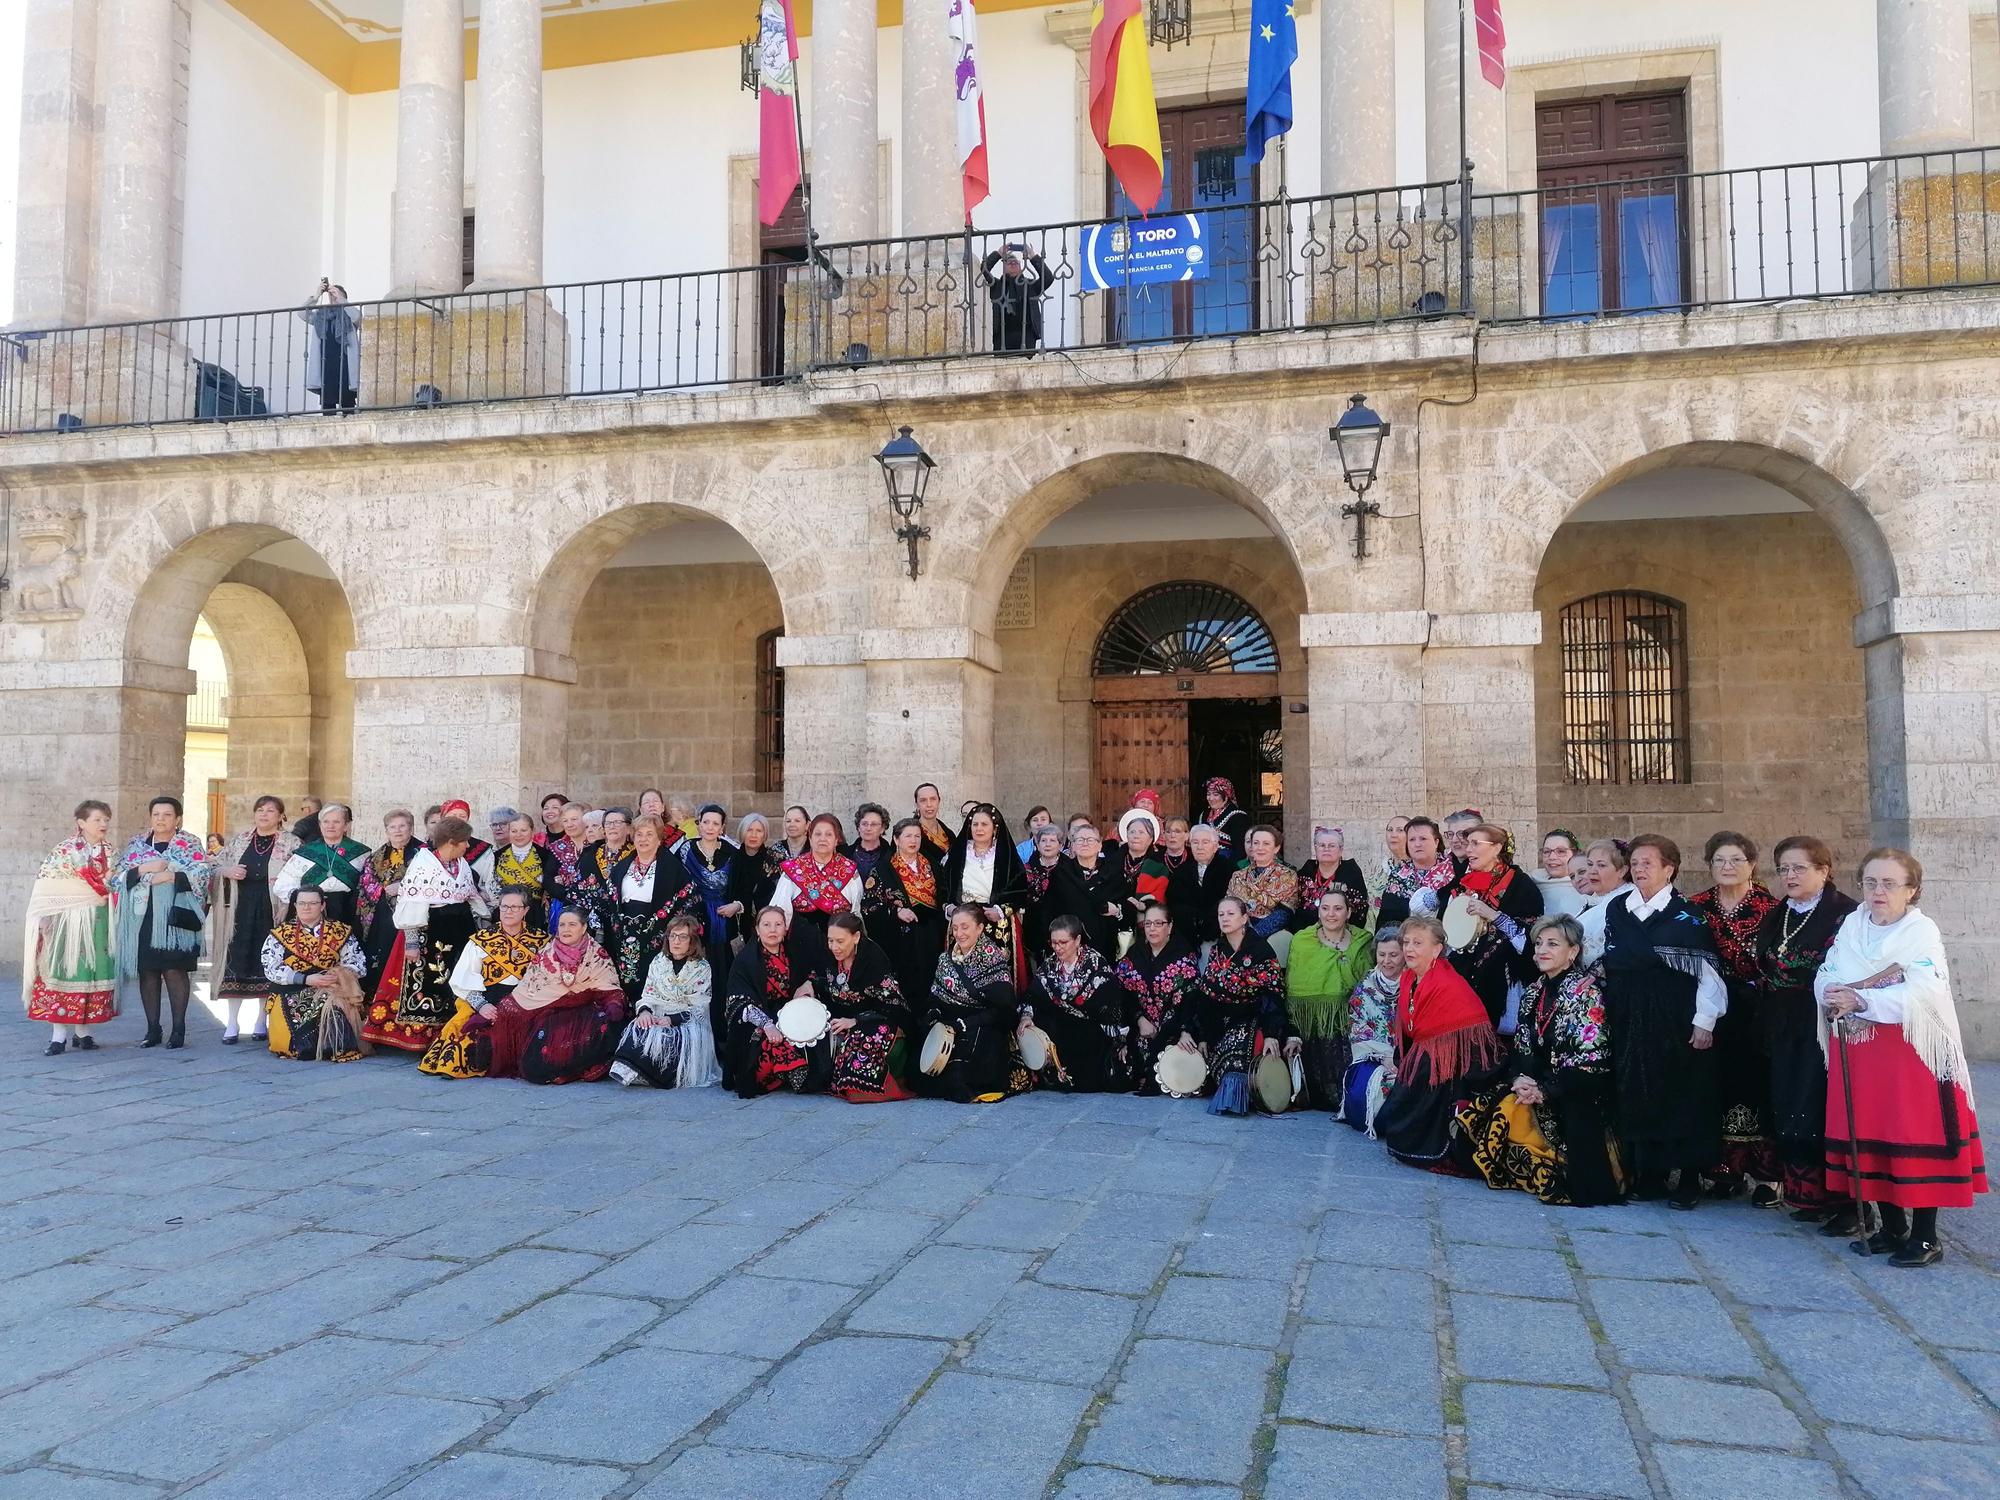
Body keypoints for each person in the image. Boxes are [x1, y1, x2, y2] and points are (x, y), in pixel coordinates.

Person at [1815, 848, 1987, 1266]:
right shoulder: (1852, 925)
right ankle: (1892, 1229)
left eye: (1890, 883)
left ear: (1911, 890)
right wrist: (1832, 992)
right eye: (1871, 882)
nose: (1878, 891)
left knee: (1911, 1135)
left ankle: (1926, 1237)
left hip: (1911, 1055)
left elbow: (1924, 992)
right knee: (1871, 1135)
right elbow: (1826, 970)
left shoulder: (1921, 934)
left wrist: (1862, 999)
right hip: (1859, 1050)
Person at [1455, 914, 1623, 1206]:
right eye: (1539, 943)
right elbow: (1522, 1048)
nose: (1542, 950)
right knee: (1475, 1133)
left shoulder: (1586, 995)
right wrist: (1520, 1079)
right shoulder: (1534, 991)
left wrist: (1546, 1090)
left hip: (1575, 1087)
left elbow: (1592, 1062)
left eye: (1553, 944)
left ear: (1573, 952)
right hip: (1535, 1084)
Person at [1601, 834, 1728, 1211]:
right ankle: (1650, 1174)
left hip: (1674, 1014)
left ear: (1669, 869)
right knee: (1635, 1088)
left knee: (1682, 1092)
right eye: (1635, 863)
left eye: (1648, 863)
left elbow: (1709, 975)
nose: (1639, 870)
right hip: (1627, 1010)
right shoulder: (1617, 909)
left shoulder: (1688, 915)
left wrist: (1704, 1021)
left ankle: (1689, 1178)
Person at [1756, 836, 1858, 1220]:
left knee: (1821, 1107)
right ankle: (1808, 1199)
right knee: (1790, 1104)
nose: (1789, 876)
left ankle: (1845, 1205)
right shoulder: (1779, 912)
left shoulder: (1844, 914)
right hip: (1781, 1024)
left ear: (1823, 871)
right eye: (1783, 868)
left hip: (1822, 1026)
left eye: (1799, 868)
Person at [1689, 832, 1781, 1199]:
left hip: (1757, 1010)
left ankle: (1765, 1176)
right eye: (1719, 861)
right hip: (1711, 1009)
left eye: (1736, 860)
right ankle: (1725, 1169)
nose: (1727, 867)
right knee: (1717, 1084)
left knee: (1757, 1086)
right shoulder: (1696, 907)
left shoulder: (1772, 909)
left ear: (1752, 865)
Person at [1375, 913, 1504, 1172]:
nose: (1409, 948)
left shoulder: (1446, 982)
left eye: (1418, 943)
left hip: (1458, 1061)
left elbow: (1466, 1038)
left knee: (1419, 1089)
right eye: (1407, 942)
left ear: (1437, 949)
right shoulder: (1410, 977)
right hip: (1427, 1050)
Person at [364, 815, 490, 1053]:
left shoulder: (460, 864)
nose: (468, 846)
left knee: (457, 975)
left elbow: (471, 896)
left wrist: (482, 924)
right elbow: (412, 900)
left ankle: (452, 1031)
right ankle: (421, 1037)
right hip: (432, 930)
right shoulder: (424, 863)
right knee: (429, 981)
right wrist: (412, 943)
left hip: (460, 928)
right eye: (464, 841)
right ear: (451, 841)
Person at [480, 911, 630, 1085]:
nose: (566, 929)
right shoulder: (546, 954)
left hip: (586, 1015)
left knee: (610, 1023)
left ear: (584, 928)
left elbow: (611, 988)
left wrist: (614, 1005)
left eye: (572, 924)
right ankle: (568, 1070)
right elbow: (529, 989)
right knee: (536, 1065)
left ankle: (585, 1068)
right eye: (562, 925)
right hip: (549, 1015)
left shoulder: (597, 955)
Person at [418, 890, 549, 1079]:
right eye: (504, 906)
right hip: (489, 998)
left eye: (514, 907)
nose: (508, 911)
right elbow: (462, 980)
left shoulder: (541, 941)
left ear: (526, 910)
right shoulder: (481, 940)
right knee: (469, 1033)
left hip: (525, 998)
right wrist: (481, 1005)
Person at [23, 800, 118, 1056]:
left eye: (106, 819)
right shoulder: (64, 851)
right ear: (81, 822)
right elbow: (47, 883)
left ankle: (83, 1032)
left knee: (91, 972)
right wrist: (44, 916)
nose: (103, 824)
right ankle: (58, 1035)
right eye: (98, 819)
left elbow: (115, 883)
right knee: (65, 971)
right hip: (68, 921)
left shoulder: (109, 851)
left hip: (98, 919)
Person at [115, 796, 208, 1050]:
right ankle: (152, 1028)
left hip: (176, 913)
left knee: (175, 970)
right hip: (143, 915)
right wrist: (145, 873)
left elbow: (202, 873)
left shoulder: (190, 843)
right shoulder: (137, 844)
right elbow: (119, 876)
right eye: (156, 814)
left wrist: (173, 875)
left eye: (167, 815)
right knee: (149, 971)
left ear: (177, 819)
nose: (160, 819)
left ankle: (179, 1029)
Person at [207, 794, 301, 1044]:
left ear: (281, 816)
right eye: (260, 809)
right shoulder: (240, 841)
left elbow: (300, 875)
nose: (264, 814)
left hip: (273, 910)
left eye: (271, 810)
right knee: (235, 960)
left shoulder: (292, 843)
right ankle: (232, 1022)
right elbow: (213, 866)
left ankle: (262, 1020)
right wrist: (227, 871)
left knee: (267, 962)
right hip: (240, 908)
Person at [1187, 896, 1293, 1116]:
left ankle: (1235, 1095)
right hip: (1218, 1017)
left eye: (1231, 914)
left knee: (1236, 1061)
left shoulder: (1260, 950)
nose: (1225, 919)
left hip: (1250, 1016)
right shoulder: (1218, 950)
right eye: (1221, 914)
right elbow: (1206, 993)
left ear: (1244, 918)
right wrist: (1203, 1033)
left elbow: (1272, 994)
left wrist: (1272, 1032)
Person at [1440, 822, 1544, 1030]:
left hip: (1503, 982)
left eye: (1475, 843)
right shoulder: (1463, 883)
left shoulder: (1521, 885)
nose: (1468, 849)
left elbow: (1529, 941)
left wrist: (1494, 916)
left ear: (1496, 848)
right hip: (1464, 980)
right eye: (1468, 843)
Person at [921, 905, 1026, 1103]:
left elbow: (1004, 1010)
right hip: (949, 1023)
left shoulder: (992, 959)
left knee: (963, 1073)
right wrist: (934, 1014)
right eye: (954, 928)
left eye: (965, 927)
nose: (959, 933)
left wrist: (965, 1024)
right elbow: (935, 997)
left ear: (980, 928)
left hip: (981, 1025)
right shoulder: (945, 959)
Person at [610, 914, 725, 1090]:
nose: (676, 941)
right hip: (658, 1012)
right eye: (672, 935)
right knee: (639, 1028)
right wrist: (645, 1012)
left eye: (683, 936)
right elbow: (648, 993)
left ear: (692, 941)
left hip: (688, 1020)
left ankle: (658, 1076)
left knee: (670, 1037)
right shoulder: (658, 961)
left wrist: (672, 1019)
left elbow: (700, 1006)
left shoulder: (702, 967)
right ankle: (634, 1071)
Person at [1285, 888, 1375, 1111]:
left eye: (1338, 908)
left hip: (1354, 1021)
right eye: (1325, 908)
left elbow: (1370, 983)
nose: (1330, 914)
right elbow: (1293, 988)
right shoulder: (1302, 940)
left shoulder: (1363, 941)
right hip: (1314, 1025)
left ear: (1349, 912)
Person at [723, 906, 825, 1096]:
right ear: (757, 929)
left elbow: (816, 973)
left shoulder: (795, 952)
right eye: (767, 925)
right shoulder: (746, 960)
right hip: (759, 1016)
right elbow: (738, 1000)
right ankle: (789, 1073)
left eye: (778, 924)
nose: (772, 930)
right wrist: (767, 1024)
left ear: (785, 928)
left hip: (790, 1012)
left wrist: (809, 983)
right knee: (763, 1040)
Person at [814, 912, 916, 1102]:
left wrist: (856, 1020)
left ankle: (863, 1084)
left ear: (856, 937)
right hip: (843, 1018)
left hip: (880, 1019)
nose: (834, 947)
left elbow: (892, 1006)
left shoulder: (874, 960)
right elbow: (819, 978)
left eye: (840, 941)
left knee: (860, 1038)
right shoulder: (828, 955)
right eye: (830, 941)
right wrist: (809, 983)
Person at [260, 886, 369, 1062]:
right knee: (291, 1046)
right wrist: (306, 979)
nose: (306, 907)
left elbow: (358, 963)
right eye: (301, 903)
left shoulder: (340, 931)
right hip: (291, 989)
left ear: (323, 905)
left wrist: (338, 974)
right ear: (295, 905)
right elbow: (271, 968)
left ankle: (334, 1047)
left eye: (312, 903)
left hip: (330, 986)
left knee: (334, 1003)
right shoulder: (280, 934)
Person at [1027, 915, 1133, 1092]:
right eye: (1053, 943)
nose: (1057, 948)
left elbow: (1112, 1008)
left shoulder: (1096, 964)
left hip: (1091, 1033)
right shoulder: (1049, 964)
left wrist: (1119, 1041)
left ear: (1077, 940)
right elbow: (1033, 995)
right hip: (1060, 1030)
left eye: (1063, 942)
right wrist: (1026, 1016)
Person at [605, 814, 701, 1003]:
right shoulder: (622, 867)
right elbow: (610, 901)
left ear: (659, 839)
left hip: (658, 934)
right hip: (626, 936)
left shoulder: (672, 868)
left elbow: (688, 898)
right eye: (639, 834)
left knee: (654, 983)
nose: (643, 839)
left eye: (649, 834)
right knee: (627, 985)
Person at [865, 817, 949, 1017]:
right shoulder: (882, 869)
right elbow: (869, 906)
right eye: (908, 836)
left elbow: (945, 893)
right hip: (901, 940)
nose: (913, 840)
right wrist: (896, 912)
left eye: (917, 836)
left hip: (932, 936)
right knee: (908, 988)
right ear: (896, 839)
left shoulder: (933, 865)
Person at [1115, 903, 1201, 1092]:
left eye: (1158, 923)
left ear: (1169, 927)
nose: (1152, 928)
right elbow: (1121, 992)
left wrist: (1186, 1030)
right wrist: (1139, 1018)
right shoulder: (1135, 954)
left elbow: (1191, 1000)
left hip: (1172, 1030)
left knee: (1171, 1074)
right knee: (1119, 1076)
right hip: (1141, 1028)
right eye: (1147, 924)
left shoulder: (1184, 956)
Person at [941, 802, 1032, 979]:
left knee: (995, 973)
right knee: (963, 971)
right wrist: (949, 907)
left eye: (984, 824)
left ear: (995, 828)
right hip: (963, 918)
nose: (979, 829)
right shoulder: (958, 853)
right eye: (975, 824)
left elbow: (1019, 889)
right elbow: (944, 886)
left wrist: (1001, 910)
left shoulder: (1006, 855)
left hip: (995, 920)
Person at [1338, 923, 1404, 1133]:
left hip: (1405, 1057)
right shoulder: (1366, 984)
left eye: (1393, 955)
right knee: (1362, 1094)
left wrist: (1397, 1059)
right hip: (1372, 1056)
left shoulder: (1416, 983)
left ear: (1404, 954)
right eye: (1382, 954)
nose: (1387, 961)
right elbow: (1358, 1027)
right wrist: (1384, 1058)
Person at [773, 813, 863, 952]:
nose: (822, 839)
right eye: (817, 834)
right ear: (810, 837)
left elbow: (856, 911)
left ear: (836, 840)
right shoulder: (794, 869)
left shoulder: (849, 870)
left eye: (828, 834)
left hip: (839, 945)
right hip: (801, 943)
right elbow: (779, 910)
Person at [356, 810, 420, 998]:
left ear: (411, 828)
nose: (398, 831)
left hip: (410, 917)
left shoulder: (423, 853)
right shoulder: (377, 856)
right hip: (381, 914)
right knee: (381, 958)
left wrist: (403, 887)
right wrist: (382, 889)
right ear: (386, 830)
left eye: (402, 826)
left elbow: (427, 880)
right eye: (393, 827)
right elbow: (366, 881)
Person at [274, 803, 370, 925]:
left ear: (346, 826)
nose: (330, 826)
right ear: (320, 825)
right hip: (309, 913)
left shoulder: (361, 853)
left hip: (347, 912)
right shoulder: (304, 853)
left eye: (336, 822)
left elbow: (368, 886)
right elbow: (283, 884)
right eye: (326, 822)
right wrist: (299, 902)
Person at [1043, 822, 1127, 961]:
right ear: (1073, 846)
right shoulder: (1061, 873)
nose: (1085, 843)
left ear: (1100, 845)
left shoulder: (1112, 872)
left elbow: (1124, 904)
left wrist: (1117, 910)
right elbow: (1049, 909)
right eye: (1080, 840)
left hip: (1104, 942)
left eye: (1090, 840)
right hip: (1069, 944)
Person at [682, 804, 742, 996]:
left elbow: (743, 884)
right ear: (698, 825)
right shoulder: (685, 850)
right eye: (705, 822)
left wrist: (737, 904)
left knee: (722, 970)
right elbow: (676, 882)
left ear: (722, 827)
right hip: (695, 917)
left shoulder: (732, 852)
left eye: (715, 823)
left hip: (724, 917)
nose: (710, 827)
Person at [1227, 825, 1299, 963]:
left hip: (1271, 932)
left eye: (1266, 843)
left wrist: (1252, 935)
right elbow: (1230, 906)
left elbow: (1284, 913)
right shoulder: (1238, 875)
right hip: (1240, 928)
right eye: (1256, 843)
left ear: (1276, 848)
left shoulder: (1287, 874)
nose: (1260, 848)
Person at [1376, 816, 1453, 929]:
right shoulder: (1398, 877)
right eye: (1412, 839)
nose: (1417, 844)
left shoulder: (1452, 869)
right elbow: (1387, 922)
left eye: (1423, 839)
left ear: (1436, 842)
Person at [1294, 826, 1369, 934]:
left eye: (1332, 846)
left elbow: (1359, 913)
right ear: (1315, 848)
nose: (1326, 849)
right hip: (1305, 934)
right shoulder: (1306, 872)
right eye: (1322, 845)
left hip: (1343, 935)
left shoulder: (1352, 873)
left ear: (1341, 849)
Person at [980, 242, 1053, 353]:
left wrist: (1033, 257)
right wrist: (998, 254)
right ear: (1003, 267)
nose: (1013, 264)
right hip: (1001, 335)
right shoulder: (996, 285)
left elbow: (1048, 278)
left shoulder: (1030, 285)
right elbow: (983, 270)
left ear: (1021, 267)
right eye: (1009, 262)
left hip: (1026, 334)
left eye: (1016, 262)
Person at [1168, 822, 1232, 947]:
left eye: (1205, 842)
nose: (1200, 847)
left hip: (1219, 930)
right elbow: (1175, 901)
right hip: (1188, 931)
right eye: (1195, 842)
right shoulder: (1181, 871)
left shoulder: (1228, 868)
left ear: (1215, 846)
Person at [485, 813, 552, 930]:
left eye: (523, 830)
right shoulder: (497, 856)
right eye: (514, 831)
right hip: (504, 912)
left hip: (534, 913)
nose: (518, 835)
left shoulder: (545, 855)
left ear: (532, 830)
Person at [299, 279, 358, 413]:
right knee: (327, 402)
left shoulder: (349, 315)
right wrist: (316, 297)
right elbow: (302, 313)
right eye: (331, 295)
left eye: (335, 294)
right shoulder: (321, 316)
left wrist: (341, 300)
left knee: (347, 402)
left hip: (345, 363)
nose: (333, 298)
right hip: (326, 363)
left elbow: (358, 317)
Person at [726, 812, 784, 945]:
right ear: (742, 832)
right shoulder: (732, 858)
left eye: (759, 831)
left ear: (765, 834)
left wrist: (740, 905)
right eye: (749, 830)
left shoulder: (773, 859)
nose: (753, 835)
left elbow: (774, 894)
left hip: (767, 923)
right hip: (737, 923)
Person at [1576, 838, 1633, 967]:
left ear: (1622, 871)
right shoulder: (1595, 898)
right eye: (1590, 864)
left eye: (1601, 865)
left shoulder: (1627, 903)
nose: (1592, 871)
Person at [1115, 811, 1171, 921]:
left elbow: (1160, 894)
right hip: (1115, 914)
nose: (1136, 836)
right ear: (1126, 835)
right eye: (1132, 832)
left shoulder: (1158, 866)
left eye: (1141, 832)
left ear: (1150, 839)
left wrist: (1145, 904)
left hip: (1147, 916)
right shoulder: (1114, 860)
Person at [1021, 823, 1067, 951]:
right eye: (1043, 840)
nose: (1047, 844)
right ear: (1037, 844)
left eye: (1052, 840)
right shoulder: (1026, 869)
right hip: (1033, 927)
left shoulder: (1070, 869)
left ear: (1061, 845)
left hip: (1062, 927)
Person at [546, 802, 592, 927]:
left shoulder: (596, 846)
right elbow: (548, 879)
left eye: (574, 819)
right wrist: (567, 895)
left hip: (592, 906)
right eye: (565, 821)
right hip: (564, 904)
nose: (570, 824)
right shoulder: (557, 847)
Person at [1533, 829, 1588, 919]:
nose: (1552, 857)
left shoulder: (1587, 884)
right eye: (1547, 851)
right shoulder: (1531, 880)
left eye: (1561, 851)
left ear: (1575, 853)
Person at [1201, 778, 1250, 855]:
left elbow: (1241, 850)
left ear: (1226, 796)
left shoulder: (1237, 817)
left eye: (1216, 794)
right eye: (1208, 794)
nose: (1211, 798)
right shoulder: (1204, 815)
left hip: (1227, 863)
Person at [912, 784, 953, 861]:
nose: (929, 804)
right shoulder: (908, 833)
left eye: (933, 799)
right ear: (917, 805)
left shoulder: (949, 834)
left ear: (939, 801)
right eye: (923, 800)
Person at [1442, 809, 1483, 874]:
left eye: (1461, 834)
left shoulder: (1490, 869)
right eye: (1450, 834)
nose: (1454, 840)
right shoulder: (1438, 869)